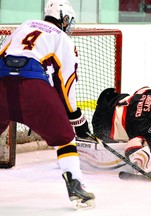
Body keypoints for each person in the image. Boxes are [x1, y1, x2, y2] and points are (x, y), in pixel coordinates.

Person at [0, 0, 95, 209]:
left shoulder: (25, 25)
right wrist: (76, 117)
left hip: (1, 86)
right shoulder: (63, 39)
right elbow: (66, 82)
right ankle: (76, 185)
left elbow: (2, 53)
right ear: (65, 18)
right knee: (65, 138)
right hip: (31, 89)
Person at [92, 87, 151, 173]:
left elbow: (141, 90)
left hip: (109, 99)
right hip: (103, 124)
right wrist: (148, 164)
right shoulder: (146, 124)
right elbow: (132, 147)